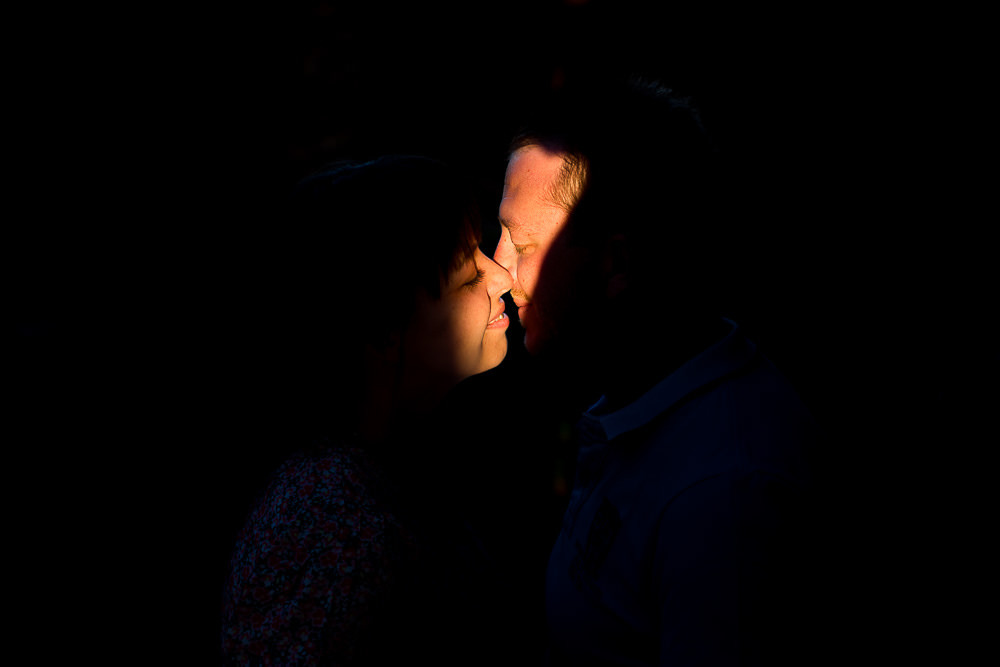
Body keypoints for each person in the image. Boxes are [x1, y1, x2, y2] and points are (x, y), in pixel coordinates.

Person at [494, 77, 825, 665]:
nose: (498, 274)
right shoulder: (633, 391)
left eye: (522, 245)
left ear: (617, 262)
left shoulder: (722, 503)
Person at [220, 155, 516, 665]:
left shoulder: (381, 474)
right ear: (384, 330)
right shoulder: (330, 520)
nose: (502, 278)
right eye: (468, 277)